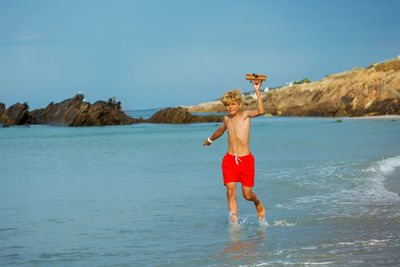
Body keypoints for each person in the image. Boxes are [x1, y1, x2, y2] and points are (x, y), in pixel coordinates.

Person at [203, 81, 266, 225]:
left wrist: (257, 90)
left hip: (246, 161)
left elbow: (261, 111)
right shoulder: (226, 119)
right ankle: (234, 226)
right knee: (230, 192)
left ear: (239, 104)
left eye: (233, 104)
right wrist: (209, 140)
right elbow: (220, 131)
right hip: (230, 160)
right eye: (227, 105)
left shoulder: (245, 115)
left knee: (247, 195)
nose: (230, 107)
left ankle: (257, 202)